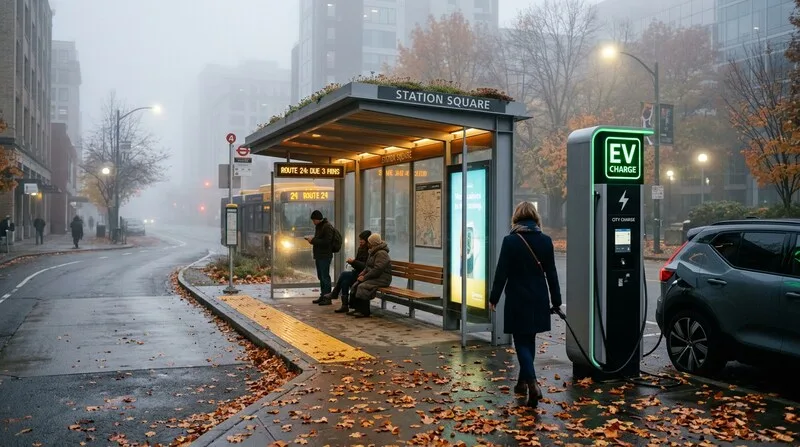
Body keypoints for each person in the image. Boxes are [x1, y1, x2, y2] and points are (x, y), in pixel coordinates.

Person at [489, 202, 562, 408]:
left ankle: (532, 383)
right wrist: (556, 300)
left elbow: (501, 272)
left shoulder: (510, 241)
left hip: (517, 298)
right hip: (539, 298)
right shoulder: (546, 241)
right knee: (529, 339)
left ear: (516, 218)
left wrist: (494, 297)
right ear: (535, 217)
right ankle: (522, 383)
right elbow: (552, 274)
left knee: (521, 341)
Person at [319, 230, 371, 310]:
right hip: (358, 274)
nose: (360, 241)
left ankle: (335, 293)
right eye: (360, 239)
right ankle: (344, 306)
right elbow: (358, 264)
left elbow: (366, 267)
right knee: (344, 282)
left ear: (367, 240)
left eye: (362, 239)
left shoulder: (370, 251)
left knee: (344, 274)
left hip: (364, 276)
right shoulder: (360, 249)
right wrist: (352, 262)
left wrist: (354, 262)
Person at [348, 233, 392, 318]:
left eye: (369, 242)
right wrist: (363, 272)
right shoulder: (373, 251)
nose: (368, 244)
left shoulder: (381, 253)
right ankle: (357, 309)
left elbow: (377, 270)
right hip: (376, 277)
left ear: (373, 243)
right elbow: (368, 266)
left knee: (362, 286)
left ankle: (364, 311)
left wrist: (365, 277)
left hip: (383, 278)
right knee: (356, 284)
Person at [305, 210, 335, 303]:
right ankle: (323, 295)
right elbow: (320, 239)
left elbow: (327, 242)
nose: (313, 222)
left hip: (325, 256)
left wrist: (313, 240)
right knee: (321, 276)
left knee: (325, 276)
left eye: (314, 220)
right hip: (319, 255)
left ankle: (327, 298)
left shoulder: (327, 227)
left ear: (318, 219)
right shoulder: (319, 226)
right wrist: (313, 240)